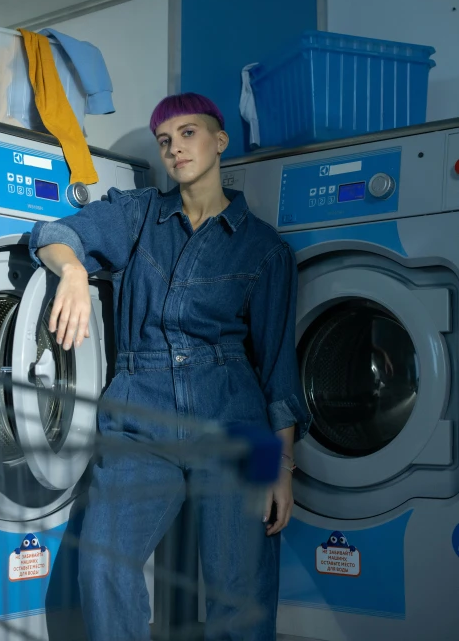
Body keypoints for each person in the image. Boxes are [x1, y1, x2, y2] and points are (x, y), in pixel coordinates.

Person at [29, 92, 311, 640]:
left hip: (233, 416)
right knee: (103, 563)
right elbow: (58, 235)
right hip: (140, 413)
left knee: (240, 587)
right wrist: (73, 276)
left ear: (219, 139)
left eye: (188, 133)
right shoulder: (140, 216)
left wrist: (283, 466)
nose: (175, 149)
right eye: (165, 141)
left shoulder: (264, 249)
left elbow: (278, 369)